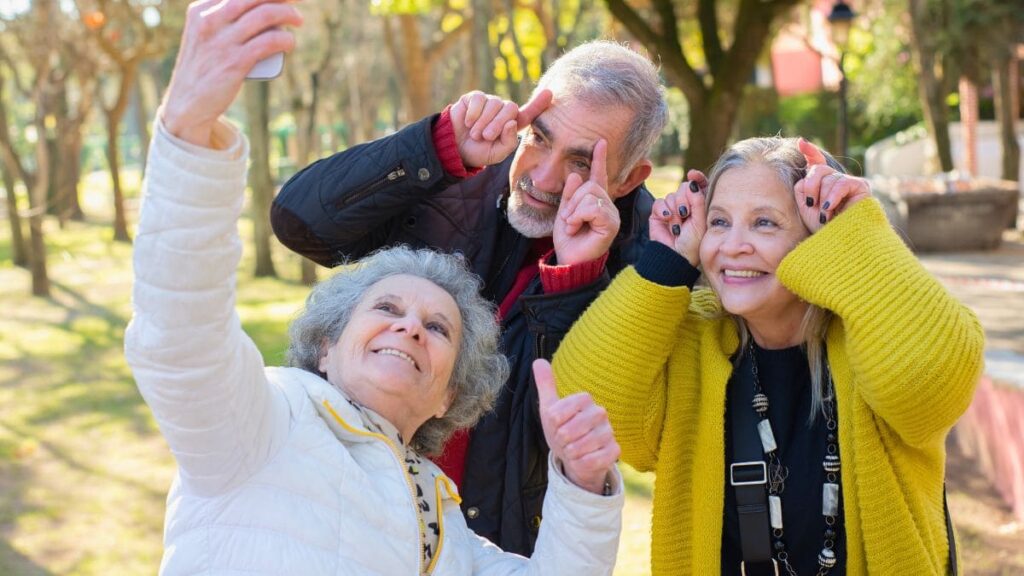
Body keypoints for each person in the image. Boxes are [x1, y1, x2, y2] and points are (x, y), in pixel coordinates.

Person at [124, 1, 626, 573]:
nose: (410, 326)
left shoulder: (442, 528)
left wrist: (583, 486)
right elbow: (179, 339)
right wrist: (188, 132)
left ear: (449, 398)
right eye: (386, 306)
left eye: (438, 328)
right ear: (325, 346)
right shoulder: (263, 424)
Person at [270, 38, 668, 554]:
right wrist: (435, 146)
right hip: (351, 518)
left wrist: (575, 275)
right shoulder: (457, 174)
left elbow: (560, 423)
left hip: (489, 549)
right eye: (539, 138)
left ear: (628, 178)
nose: (542, 177)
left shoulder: (646, 263)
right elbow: (300, 224)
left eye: (578, 161)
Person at [551, 136, 985, 575]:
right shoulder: (692, 339)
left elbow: (929, 385)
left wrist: (857, 232)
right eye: (719, 223)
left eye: (764, 223)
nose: (733, 245)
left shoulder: (874, 335)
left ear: (819, 235)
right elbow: (583, 401)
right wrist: (665, 262)